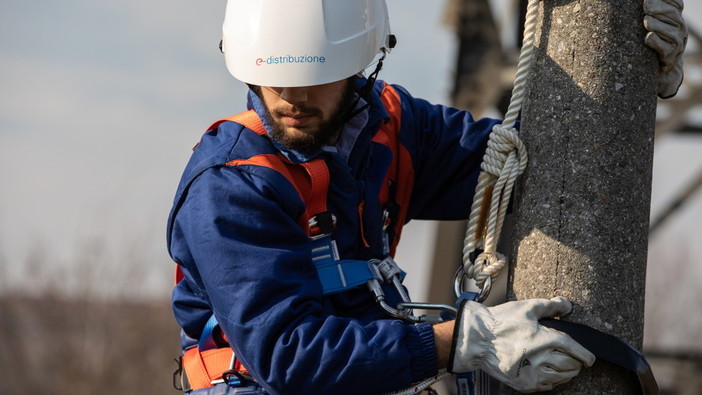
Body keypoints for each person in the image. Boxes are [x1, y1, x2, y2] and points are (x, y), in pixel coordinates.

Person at [168, 0, 687, 393]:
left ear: (360, 65)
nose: (293, 97)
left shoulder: (390, 130)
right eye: (272, 77)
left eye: (316, 78)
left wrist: (631, 78)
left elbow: (533, 159)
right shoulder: (230, 186)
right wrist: (462, 341)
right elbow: (289, 354)